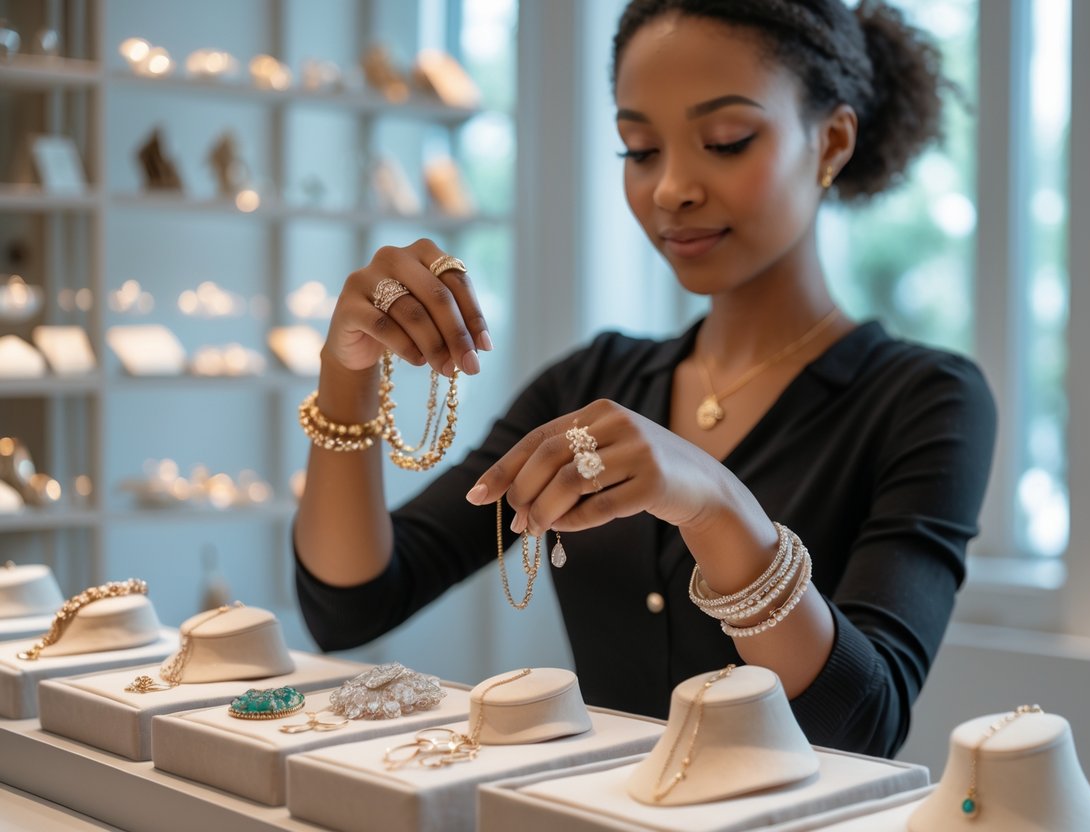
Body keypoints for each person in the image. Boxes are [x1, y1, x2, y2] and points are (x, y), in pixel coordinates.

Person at [294, 0, 996, 759]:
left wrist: (716, 505)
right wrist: (347, 371)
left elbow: (861, 723)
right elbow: (353, 603)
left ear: (830, 141)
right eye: (639, 149)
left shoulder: (925, 399)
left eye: (725, 141)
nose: (669, 190)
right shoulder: (594, 379)